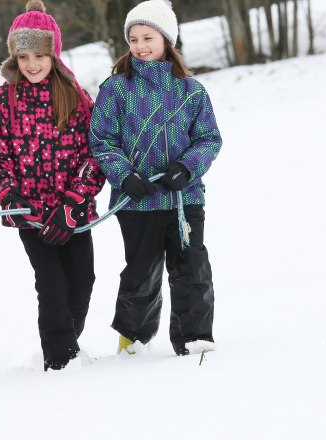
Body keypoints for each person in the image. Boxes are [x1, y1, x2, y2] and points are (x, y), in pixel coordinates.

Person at [88, 0, 222, 356]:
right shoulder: (116, 89)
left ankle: (194, 338)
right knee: (141, 272)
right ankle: (132, 340)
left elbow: (209, 138)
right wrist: (123, 176)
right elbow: (101, 140)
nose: (140, 45)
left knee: (192, 269)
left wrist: (188, 167)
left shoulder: (191, 91)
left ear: (167, 39)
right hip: (137, 201)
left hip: (184, 200)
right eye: (133, 39)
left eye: (148, 37)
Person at [0, 0, 106, 371]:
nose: (31, 64)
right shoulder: (3, 100)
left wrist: (74, 201)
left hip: (72, 212)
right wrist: (9, 193)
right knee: (51, 286)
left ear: (54, 53)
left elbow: (94, 153)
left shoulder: (76, 97)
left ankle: (69, 340)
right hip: (32, 216)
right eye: (23, 57)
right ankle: (60, 360)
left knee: (82, 282)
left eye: (39, 55)